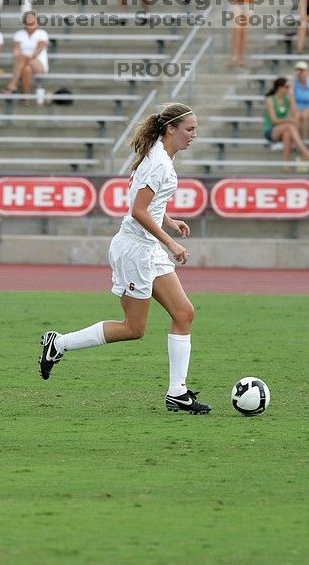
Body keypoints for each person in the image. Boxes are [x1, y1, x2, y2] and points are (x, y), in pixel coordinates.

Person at [38, 102, 212, 415]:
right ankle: (59, 343)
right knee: (134, 328)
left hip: (147, 248)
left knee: (184, 313)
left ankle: (177, 393)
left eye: (195, 129)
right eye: (189, 129)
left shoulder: (159, 155)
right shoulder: (159, 163)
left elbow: (148, 203)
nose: (193, 135)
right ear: (170, 129)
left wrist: (170, 221)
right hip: (135, 250)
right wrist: (171, 242)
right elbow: (138, 210)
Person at [263, 77, 309, 163]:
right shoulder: (270, 99)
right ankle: (305, 151)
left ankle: (286, 164)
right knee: (289, 126)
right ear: (280, 88)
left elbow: (295, 113)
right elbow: (274, 120)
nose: (288, 89)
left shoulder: (286, 99)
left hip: (282, 128)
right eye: (287, 87)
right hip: (271, 129)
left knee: (287, 133)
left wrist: (292, 96)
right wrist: (290, 120)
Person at [4, 10, 49, 104]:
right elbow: (16, 49)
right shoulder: (19, 34)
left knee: (23, 58)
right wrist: (16, 54)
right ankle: (26, 98)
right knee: (26, 70)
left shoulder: (42, 33)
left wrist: (24, 55)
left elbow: (39, 49)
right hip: (23, 63)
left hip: (38, 63)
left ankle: (12, 84)